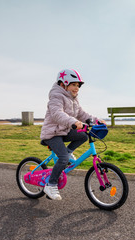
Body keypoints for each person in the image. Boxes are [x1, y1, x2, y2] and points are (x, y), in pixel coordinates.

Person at [40, 69, 105, 200]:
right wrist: (74, 122)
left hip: (64, 131)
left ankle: (69, 152)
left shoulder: (73, 99)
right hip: (52, 133)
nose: (77, 88)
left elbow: (82, 114)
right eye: (74, 84)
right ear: (63, 83)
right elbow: (57, 114)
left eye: (78, 85)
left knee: (83, 135)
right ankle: (50, 184)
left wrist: (96, 120)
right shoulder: (56, 96)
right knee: (63, 158)